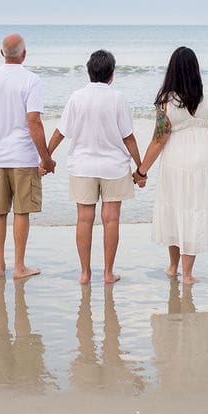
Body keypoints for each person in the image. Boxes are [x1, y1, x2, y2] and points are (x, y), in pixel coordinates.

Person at [136, 46, 208, 284]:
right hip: (204, 160)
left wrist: (141, 171)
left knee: (174, 209)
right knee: (195, 211)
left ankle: (173, 267)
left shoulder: (165, 101)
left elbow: (158, 140)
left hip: (175, 160)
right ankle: (188, 274)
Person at [47, 50, 143, 285]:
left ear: (89, 72)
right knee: (111, 220)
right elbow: (128, 137)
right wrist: (141, 168)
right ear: (111, 74)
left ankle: (85, 273)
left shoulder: (76, 97)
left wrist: (46, 157)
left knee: (84, 219)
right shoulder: (118, 98)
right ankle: (108, 273)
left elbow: (61, 132)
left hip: (82, 165)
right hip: (114, 166)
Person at [0, 34, 56, 280]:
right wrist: (47, 158)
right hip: (23, 157)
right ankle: (19, 266)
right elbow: (34, 121)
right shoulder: (32, 80)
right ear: (24, 54)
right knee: (21, 212)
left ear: (1, 54)